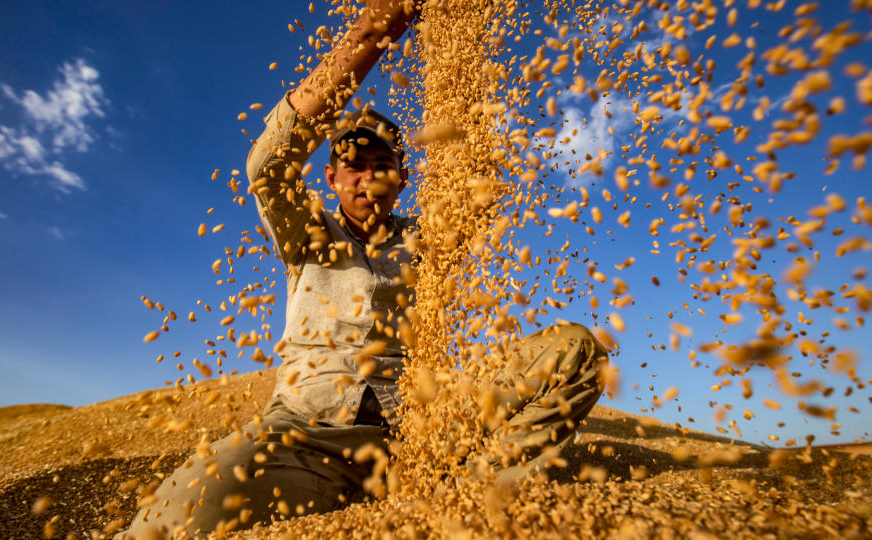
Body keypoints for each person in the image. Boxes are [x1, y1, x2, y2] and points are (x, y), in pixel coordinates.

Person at [119, 1, 607, 538]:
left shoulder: (427, 241)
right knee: (176, 516)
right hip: (308, 436)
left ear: (401, 178)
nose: (368, 177)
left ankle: (472, 488)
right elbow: (268, 164)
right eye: (355, 164)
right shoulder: (308, 235)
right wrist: (379, 27)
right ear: (331, 176)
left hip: (422, 433)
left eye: (383, 166)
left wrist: (456, 40)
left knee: (575, 349)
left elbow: (473, 181)